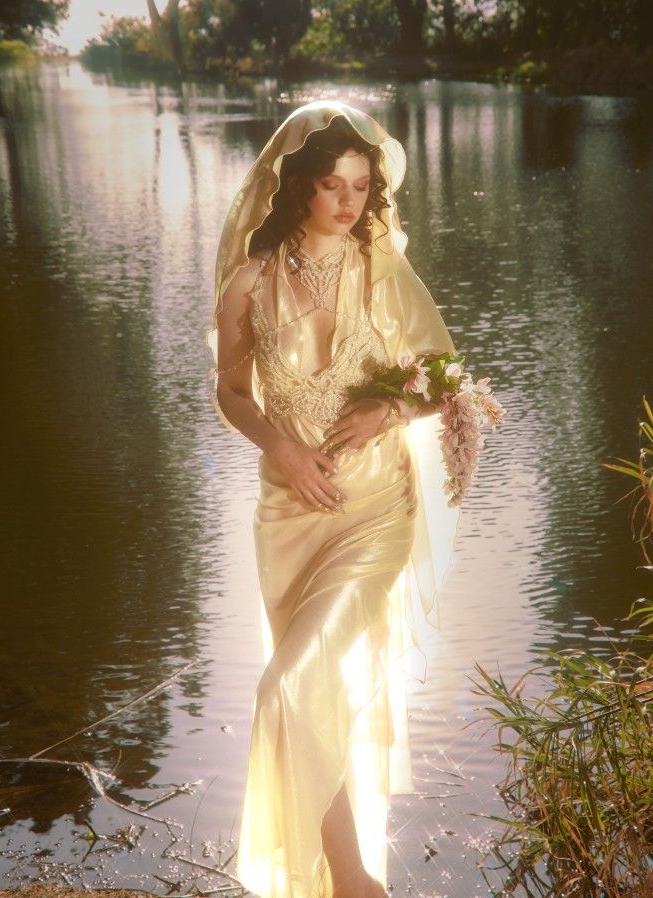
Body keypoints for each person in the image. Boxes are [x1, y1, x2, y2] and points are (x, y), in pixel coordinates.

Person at [207, 100, 461, 898]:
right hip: (287, 515)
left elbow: (447, 378)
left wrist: (391, 408)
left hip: (376, 507)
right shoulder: (251, 279)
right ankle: (340, 882)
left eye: (361, 185)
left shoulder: (382, 271)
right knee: (304, 692)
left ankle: (352, 881)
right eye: (331, 185)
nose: (350, 202)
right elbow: (229, 389)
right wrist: (277, 444)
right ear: (297, 190)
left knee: (287, 682)